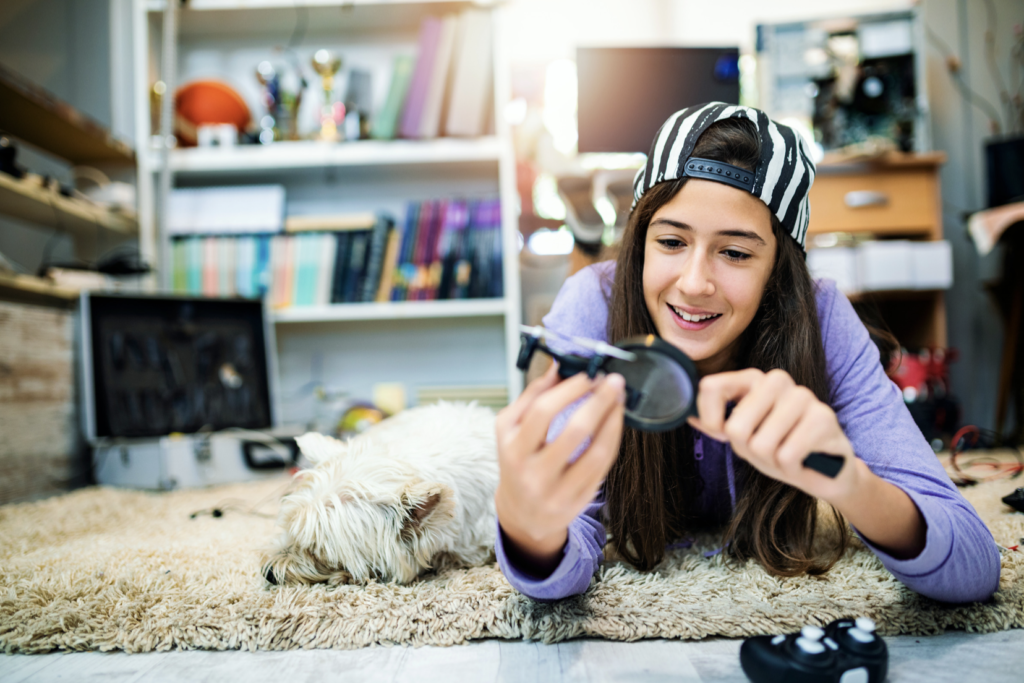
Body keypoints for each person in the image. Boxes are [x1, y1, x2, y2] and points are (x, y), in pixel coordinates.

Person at [494, 102, 1001, 604]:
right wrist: (527, 528)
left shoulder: (823, 319)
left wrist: (851, 483)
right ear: (640, 242)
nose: (694, 284)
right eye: (671, 241)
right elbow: (566, 546)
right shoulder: (594, 303)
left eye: (735, 253)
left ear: (778, 270)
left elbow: (974, 565)